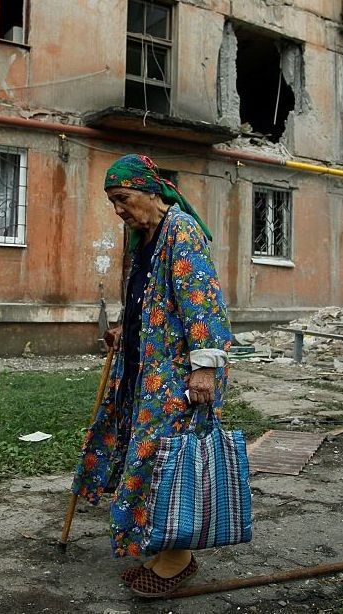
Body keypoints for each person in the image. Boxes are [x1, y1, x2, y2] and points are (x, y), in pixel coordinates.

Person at [71, 154, 233, 598]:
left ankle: (178, 559)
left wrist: (203, 368)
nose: (119, 210)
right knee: (147, 459)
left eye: (122, 199)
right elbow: (152, 299)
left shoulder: (180, 231)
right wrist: (126, 329)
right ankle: (163, 552)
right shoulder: (147, 238)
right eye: (112, 202)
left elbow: (200, 301)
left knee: (167, 462)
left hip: (179, 374)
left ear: (149, 191)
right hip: (147, 370)